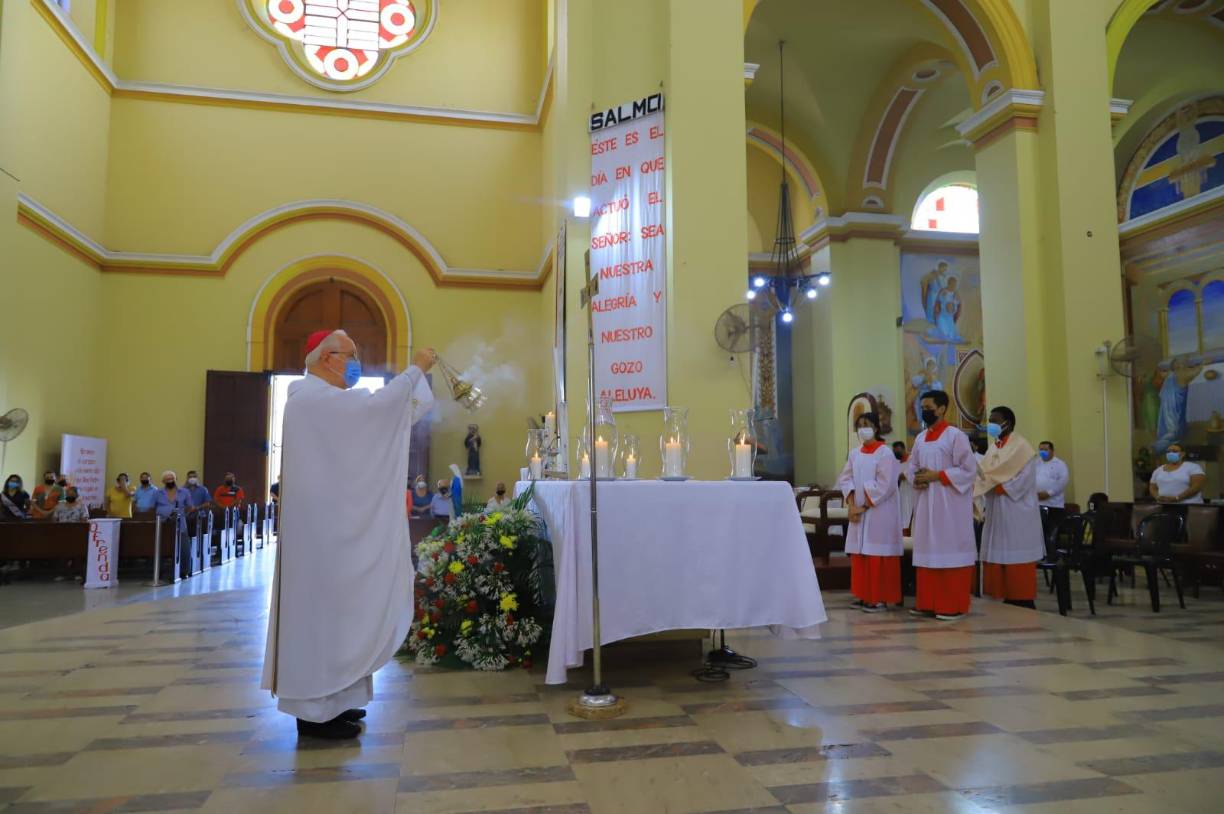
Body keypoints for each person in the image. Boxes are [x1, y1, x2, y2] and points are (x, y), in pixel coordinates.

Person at [261, 330, 436, 741]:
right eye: (351, 355)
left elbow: (376, 421)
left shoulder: (326, 401)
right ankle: (313, 713)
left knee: (339, 617)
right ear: (326, 358)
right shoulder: (310, 399)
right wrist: (417, 369)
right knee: (321, 620)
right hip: (319, 540)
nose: (357, 363)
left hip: (331, 531)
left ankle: (335, 703)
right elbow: (377, 411)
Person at [906, 390, 977, 621]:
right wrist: (917, 477)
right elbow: (911, 465)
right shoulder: (919, 438)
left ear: (942, 408)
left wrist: (938, 475)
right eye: (922, 407)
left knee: (949, 550)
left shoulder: (955, 436)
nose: (925, 411)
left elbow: (968, 470)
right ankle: (927, 602)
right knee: (928, 551)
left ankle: (952, 605)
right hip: (926, 502)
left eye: (929, 407)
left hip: (950, 505)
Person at [975, 406, 1044, 609]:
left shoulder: (1021, 447)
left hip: (1016, 509)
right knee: (999, 550)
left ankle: (1022, 597)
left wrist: (1000, 487)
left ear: (1009, 423)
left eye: (995, 420)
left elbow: (1025, 479)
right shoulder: (995, 447)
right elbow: (985, 473)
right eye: (990, 420)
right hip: (997, 508)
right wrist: (983, 484)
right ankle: (1004, 593)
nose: (991, 424)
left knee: (1016, 553)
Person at [836, 412, 903, 613]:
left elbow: (886, 484)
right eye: (859, 425)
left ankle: (880, 597)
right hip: (858, 510)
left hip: (879, 511)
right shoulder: (855, 453)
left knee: (876, 553)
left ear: (875, 427)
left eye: (866, 424)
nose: (862, 429)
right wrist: (851, 503)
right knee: (860, 552)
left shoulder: (885, 453)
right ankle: (864, 594)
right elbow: (845, 478)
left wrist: (862, 506)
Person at [1036, 441, 1069, 509]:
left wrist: (1048, 493)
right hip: (1038, 503)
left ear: (1052, 451)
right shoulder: (1036, 463)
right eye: (1041, 449)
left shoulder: (1060, 464)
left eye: (1045, 449)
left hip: (1054, 504)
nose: (1042, 452)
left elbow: (1062, 482)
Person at [893, 441, 915, 533]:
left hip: (912, 492)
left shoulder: (912, 459)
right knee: (902, 517)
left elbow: (905, 475)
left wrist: (898, 476)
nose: (895, 453)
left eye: (897, 450)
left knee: (910, 517)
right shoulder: (897, 463)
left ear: (903, 449)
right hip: (902, 492)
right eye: (894, 451)